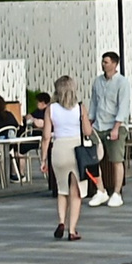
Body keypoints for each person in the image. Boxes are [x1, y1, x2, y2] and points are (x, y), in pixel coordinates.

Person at [42, 74, 87, 242]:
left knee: (62, 189)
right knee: (76, 192)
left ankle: (61, 221)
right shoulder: (80, 107)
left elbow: (46, 136)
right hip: (76, 150)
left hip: (58, 148)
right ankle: (72, 230)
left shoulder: (50, 109)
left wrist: (43, 159)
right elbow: (88, 131)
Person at [89, 50, 132, 208]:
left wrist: (116, 127)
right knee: (93, 158)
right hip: (99, 125)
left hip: (115, 125)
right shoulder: (97, 82)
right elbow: (94, 103)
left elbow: (123, 106)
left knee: (116, 159)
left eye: (106, 62)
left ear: (114, 64)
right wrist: (89, 122)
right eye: (102, 61)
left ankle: (117, 192)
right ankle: (100, 190)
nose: (103, 64)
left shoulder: (122, 82)